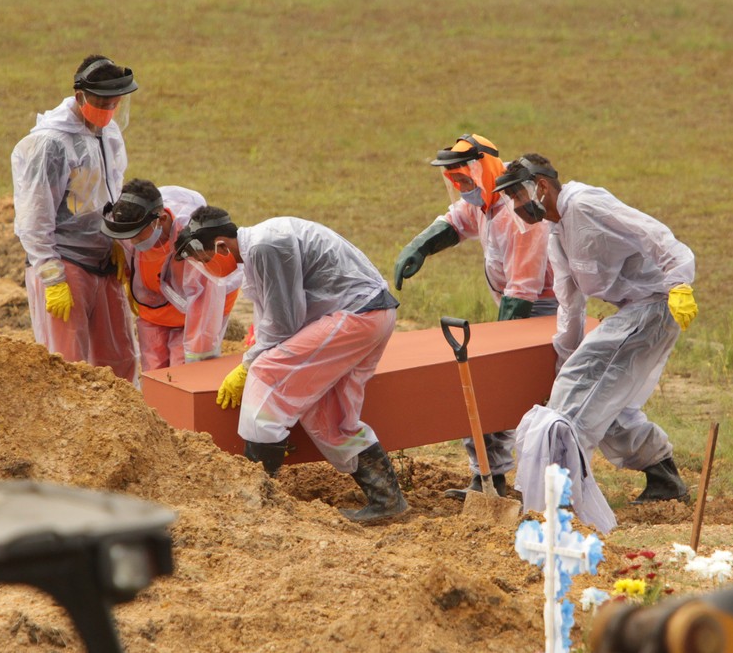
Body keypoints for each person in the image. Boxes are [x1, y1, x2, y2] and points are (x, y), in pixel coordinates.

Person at [494, 154, 698, 532]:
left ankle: (562, 500)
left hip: (653, 306)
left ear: (540, 186)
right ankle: (664, 477)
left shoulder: (586, 204)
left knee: (575, 400)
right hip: (630, 311)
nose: (517, 208)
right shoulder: (557, 232)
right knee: (599, 399)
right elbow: (569, 300)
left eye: (518, 196)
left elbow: (652, 232)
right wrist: (565, 354)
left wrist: (679, 282)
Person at [173, 206, 408, 522]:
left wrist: (247, 366)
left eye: (205, 260)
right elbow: (274, 318)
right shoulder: (259, 248)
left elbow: (284, 323)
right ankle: (387, 500)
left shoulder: (265, 245)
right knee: (331, 413)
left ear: (221, 246)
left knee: (266, 375)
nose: (208, 267)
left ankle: (256, 496)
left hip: (356, 315)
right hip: (372, 314)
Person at [394, 133, 556, 499]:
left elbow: (523, 288)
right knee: (489, 390)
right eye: (458, 183)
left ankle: (658, 468)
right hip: (518, 306)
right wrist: (418, 246)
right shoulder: (484, 202)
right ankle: (489, 480)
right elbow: (455, 221)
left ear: (484, 170)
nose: (463, 189)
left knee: (567, 396)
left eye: (466, 180)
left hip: (543, 312)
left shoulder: (519, 215)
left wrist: (501, 347)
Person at [11, 54, 140, 385]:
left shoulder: (108, 134)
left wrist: (117, 241)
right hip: (65, 263)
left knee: (120, 359)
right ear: (80, 96)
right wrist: (53, 278)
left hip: (102, 260)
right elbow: (34, 219)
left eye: (115, 104)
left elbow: (111, 190)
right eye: (103, 103)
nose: (109, 111)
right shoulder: (50, 145)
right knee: (69, 365)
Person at [100, 178, 242, 373]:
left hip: (200, 307)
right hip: (155, 306)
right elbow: (131, 253)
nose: (132, 241)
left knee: (181, 369)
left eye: (137, 235)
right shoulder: (131, 221)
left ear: (162, 220)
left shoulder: (194, 242)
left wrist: (197, 362)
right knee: (153, 369)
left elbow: (204, 305)